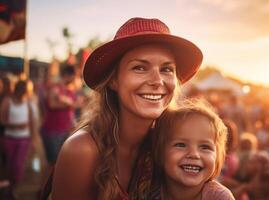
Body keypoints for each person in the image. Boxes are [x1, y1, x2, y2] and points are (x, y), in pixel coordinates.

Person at [44, 17, 203, 200]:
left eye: (166, 69)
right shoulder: (82, 150)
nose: (157, 81)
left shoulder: (167, 146)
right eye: (140, 68)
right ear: (113, 80)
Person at [153, 100, 234, 200]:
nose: (194, 154)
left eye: (205, 147)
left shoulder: (219, 197)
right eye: (181, 145)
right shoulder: (147, 190)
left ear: (217, 158)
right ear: (160, 152)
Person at [41, 64, 82, 167]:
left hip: (65, 131)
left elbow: (73, 109)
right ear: (67, 75)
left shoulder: (70, 90)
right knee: (52, 164)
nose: (75, 79)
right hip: (53, 131)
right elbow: (51, 104)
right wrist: (71, 104)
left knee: (61, 163)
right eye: (74, 76)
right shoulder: (55, 88)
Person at [0, 79, 34, 197]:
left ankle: (12, 188)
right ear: (21, 89)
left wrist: (33, 139)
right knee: (8, 166)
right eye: (28, 89)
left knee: (18, 166)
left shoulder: (28, 102)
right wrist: (16, 126)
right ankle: (7, 189)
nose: (30, 91)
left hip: (24, 139)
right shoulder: (7, 101)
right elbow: (2, 121)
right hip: (9, 138)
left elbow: (31, 122)